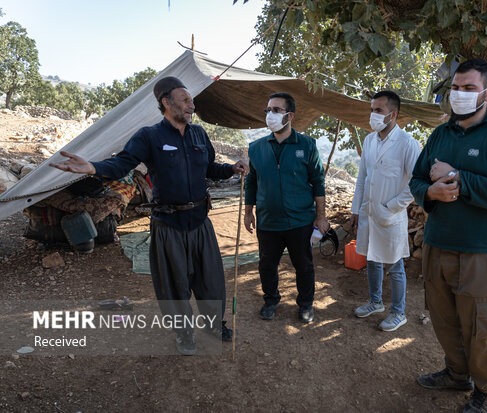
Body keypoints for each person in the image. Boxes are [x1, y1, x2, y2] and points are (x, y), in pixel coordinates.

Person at [50, 76, 249, 356]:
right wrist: (92, 167)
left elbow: (210, 168)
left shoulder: (199, 135)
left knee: (211, 280)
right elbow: (122, 163)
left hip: (200, 221)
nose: (192, 105)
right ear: (166, 103)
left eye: (191, 100)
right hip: (169, 224)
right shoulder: (150, 136)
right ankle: (183, 333)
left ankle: (214, 324)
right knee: (175, 284)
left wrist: (231, 168)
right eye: (185, 100)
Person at [410, 59, 487, 413]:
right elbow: (417, 181)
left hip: (480, 248)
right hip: (437, 242)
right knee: (443, 317)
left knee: (480, 325)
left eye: (468, 88)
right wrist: (430, 193)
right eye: (455, 88)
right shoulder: (440, 134)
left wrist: (459, 179)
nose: (459, 95)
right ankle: (456, 373)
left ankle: (486, 388)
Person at [244, 92, 329, 324]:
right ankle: (270, 300)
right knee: (266, 264)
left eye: (275, 110)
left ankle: (306, 304)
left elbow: (318, 182)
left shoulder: (307, 145)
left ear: (290, 115)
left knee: (303, 266)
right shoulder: (256, 147)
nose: (269, 114)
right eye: (267, 110)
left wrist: (321, 217)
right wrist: (248, 212)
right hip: (268, 221)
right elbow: (251, 181)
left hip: (299, 221)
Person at [350, 91, 420, 332]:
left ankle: (399, 312)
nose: (373, 115)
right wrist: (356, 208)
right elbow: (362, 178)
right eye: (372, 109)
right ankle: (375, 301)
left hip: (390, 215)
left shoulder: (407, 143)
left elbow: (416, 183)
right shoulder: (369, 140)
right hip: (369, 212)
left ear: (393, 114)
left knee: (395, 265)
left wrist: (391, 207)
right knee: (371, 258)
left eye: (378, 110)